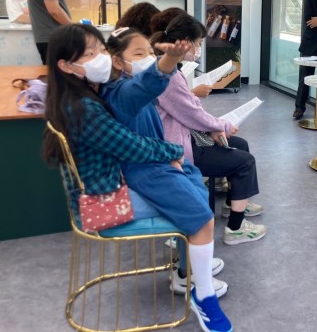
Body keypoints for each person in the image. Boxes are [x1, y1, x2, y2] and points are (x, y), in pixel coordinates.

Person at [42, 24, 232, 332]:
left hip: (113, 185)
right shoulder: (84, 107)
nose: (100, 57)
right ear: (65, 65)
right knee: (200, 215)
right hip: (102, 203)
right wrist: (172, 151)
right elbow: (131, 143)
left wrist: (167, 63)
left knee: (193, 188)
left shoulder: (90, 91)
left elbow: (140, 92)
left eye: (101, 49)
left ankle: (188, 270)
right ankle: (203, 294)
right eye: (90, 54)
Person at [150, 9, 267, 246]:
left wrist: (214, 127)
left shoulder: (169, 69)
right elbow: (190, 112)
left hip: (186, 135)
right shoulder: (168, 75)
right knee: (245, 161)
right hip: (181, 146)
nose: (199, 48)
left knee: (240, 144)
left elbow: (187, 109)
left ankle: (234, 202)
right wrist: (222, 125)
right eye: (199, 43)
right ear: (186, 42)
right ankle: (236, 228)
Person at [149, 7, 213, 98]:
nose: (199, 47)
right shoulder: (170, 75)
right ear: (186, 40)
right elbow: (178, 102)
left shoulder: (164, 66)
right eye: (199, 43)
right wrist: (193, 94)